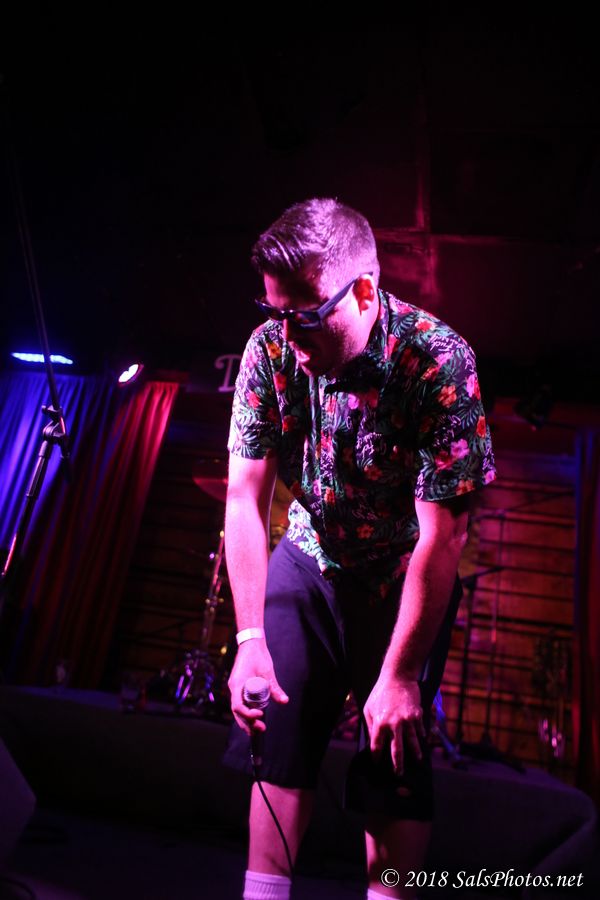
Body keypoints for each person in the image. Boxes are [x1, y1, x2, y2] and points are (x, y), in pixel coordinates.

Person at [223, 198, 496, 900]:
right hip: (309, 555)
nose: (290, 334)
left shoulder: (438, 360)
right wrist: (249, 637)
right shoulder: (269, 350)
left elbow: (445, 533)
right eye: (277, 311)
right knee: (279, 734)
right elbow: (244, 499)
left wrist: (401, 674)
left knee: (393, 759)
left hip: (401, 574)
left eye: (306, 315)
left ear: (365, 292)